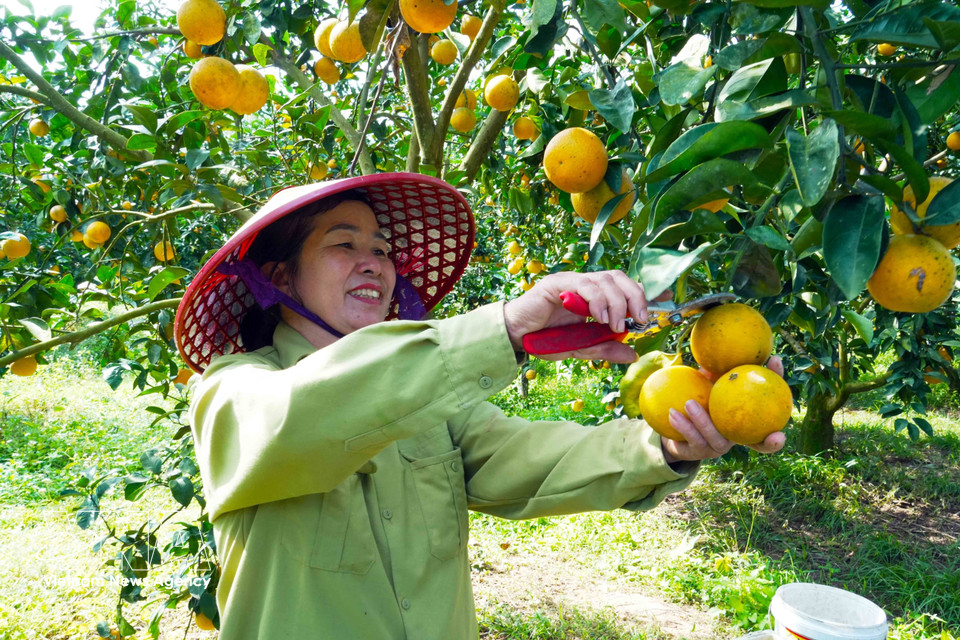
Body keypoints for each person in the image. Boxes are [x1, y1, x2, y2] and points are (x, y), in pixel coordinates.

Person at [175, 172, 785, 639]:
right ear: (281, 279)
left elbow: (527, 457)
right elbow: (306, 415)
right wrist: (507, 329)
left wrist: (666, 443)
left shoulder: (429, 406)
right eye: (344, 244)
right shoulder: (232, 392)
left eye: (384, 250)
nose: (374, 262)